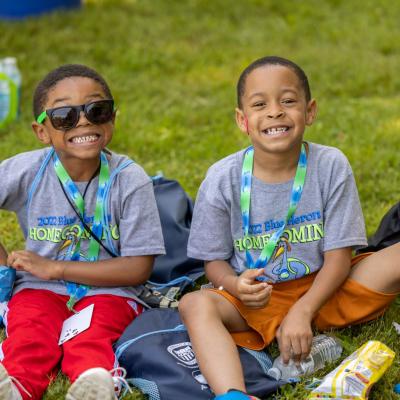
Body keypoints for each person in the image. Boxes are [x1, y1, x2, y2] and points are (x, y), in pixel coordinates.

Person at [179, 56, 400, 400]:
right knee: (195, 304)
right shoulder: (222, 178)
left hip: (329, 285)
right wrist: (234, 284)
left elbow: (340, 258)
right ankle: (233, 394)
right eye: (259, 104)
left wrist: (303, 310)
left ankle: (309, 322)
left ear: (309, 112)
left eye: (288, 101)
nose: (275, 112)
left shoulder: (330, 165)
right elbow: (213, 263)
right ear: (243, 120)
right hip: (258, 299)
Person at [0, 64, 165, 400]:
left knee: (91, 337)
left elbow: (138, 268)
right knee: (29, 332)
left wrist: (56, 268)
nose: (84, 121)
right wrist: (2, 264)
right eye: (64, 115)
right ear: (42, 131)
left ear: (112, 118)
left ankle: (96, 383)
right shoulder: (26, 169)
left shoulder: (130, 180)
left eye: (96, 109)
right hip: (38, 288)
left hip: (112, 291)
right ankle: (15, 387)